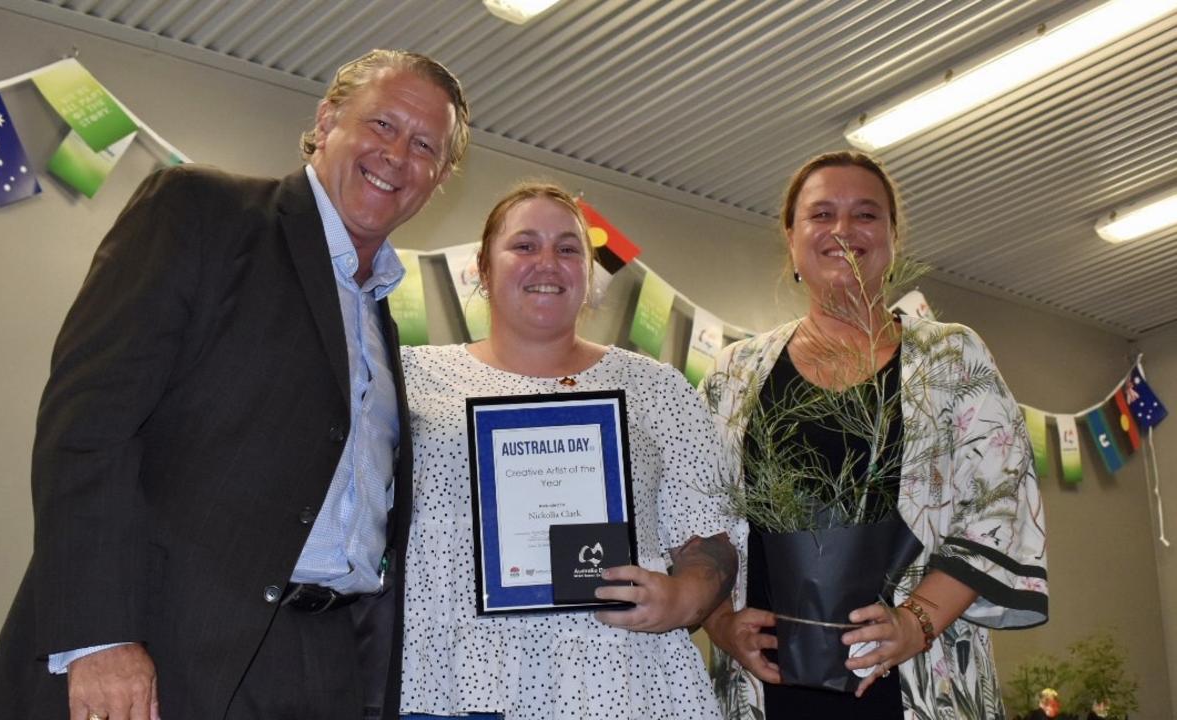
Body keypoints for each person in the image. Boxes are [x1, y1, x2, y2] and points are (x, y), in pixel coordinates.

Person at [0, 49, 470, 720]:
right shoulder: (204, 212)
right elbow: (88, 426)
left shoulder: (383, 322)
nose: (397, 155)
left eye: (423, 146)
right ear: (327, 121)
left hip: (319, 664)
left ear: (438, 177)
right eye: (381, 125)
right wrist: (98, 636)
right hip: (162, 650)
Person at [700, 151, 1048, 719]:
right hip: (768, 685)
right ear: (791, 240)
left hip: (913, 681)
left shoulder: (952, 358)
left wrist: (916, 623)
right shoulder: (733, 374)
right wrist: (719, 623)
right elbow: (694, 515)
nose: (842, 229)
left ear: (891, 237)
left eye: (865, 214)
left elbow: (1000, 505)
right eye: (821, 214)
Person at [397, 182, 737, 719]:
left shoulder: (657, 388)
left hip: (621, 679)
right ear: (483, 270)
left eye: (568, 248)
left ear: (588, 273)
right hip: (454, 682)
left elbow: (710, 536)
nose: (547, 263)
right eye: (524, 245)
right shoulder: (412, 377)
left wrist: (685, 599)